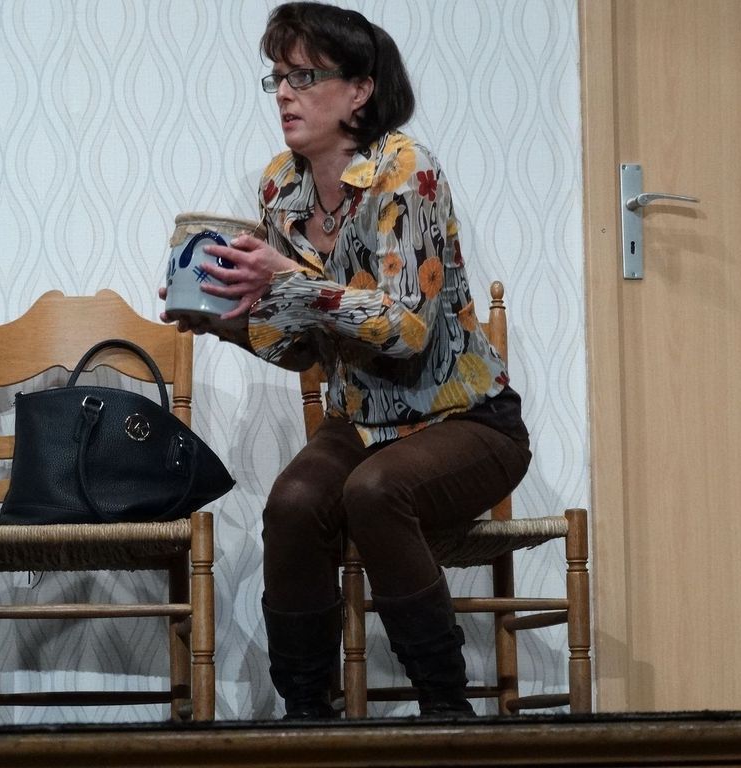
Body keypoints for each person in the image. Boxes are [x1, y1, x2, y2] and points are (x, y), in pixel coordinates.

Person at [161, 1, 531, 719]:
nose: (285, 94)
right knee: (293, 504)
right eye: (277, 78)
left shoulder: (406, 170)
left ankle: (446, 709)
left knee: (374, 492)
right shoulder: (282, 187)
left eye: (304, 76)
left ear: (360, 89)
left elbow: (407, 330)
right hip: (360, 421)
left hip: (467, 421)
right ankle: (306, 715)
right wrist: (230, 323)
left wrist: (288, 280)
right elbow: (304, 344)